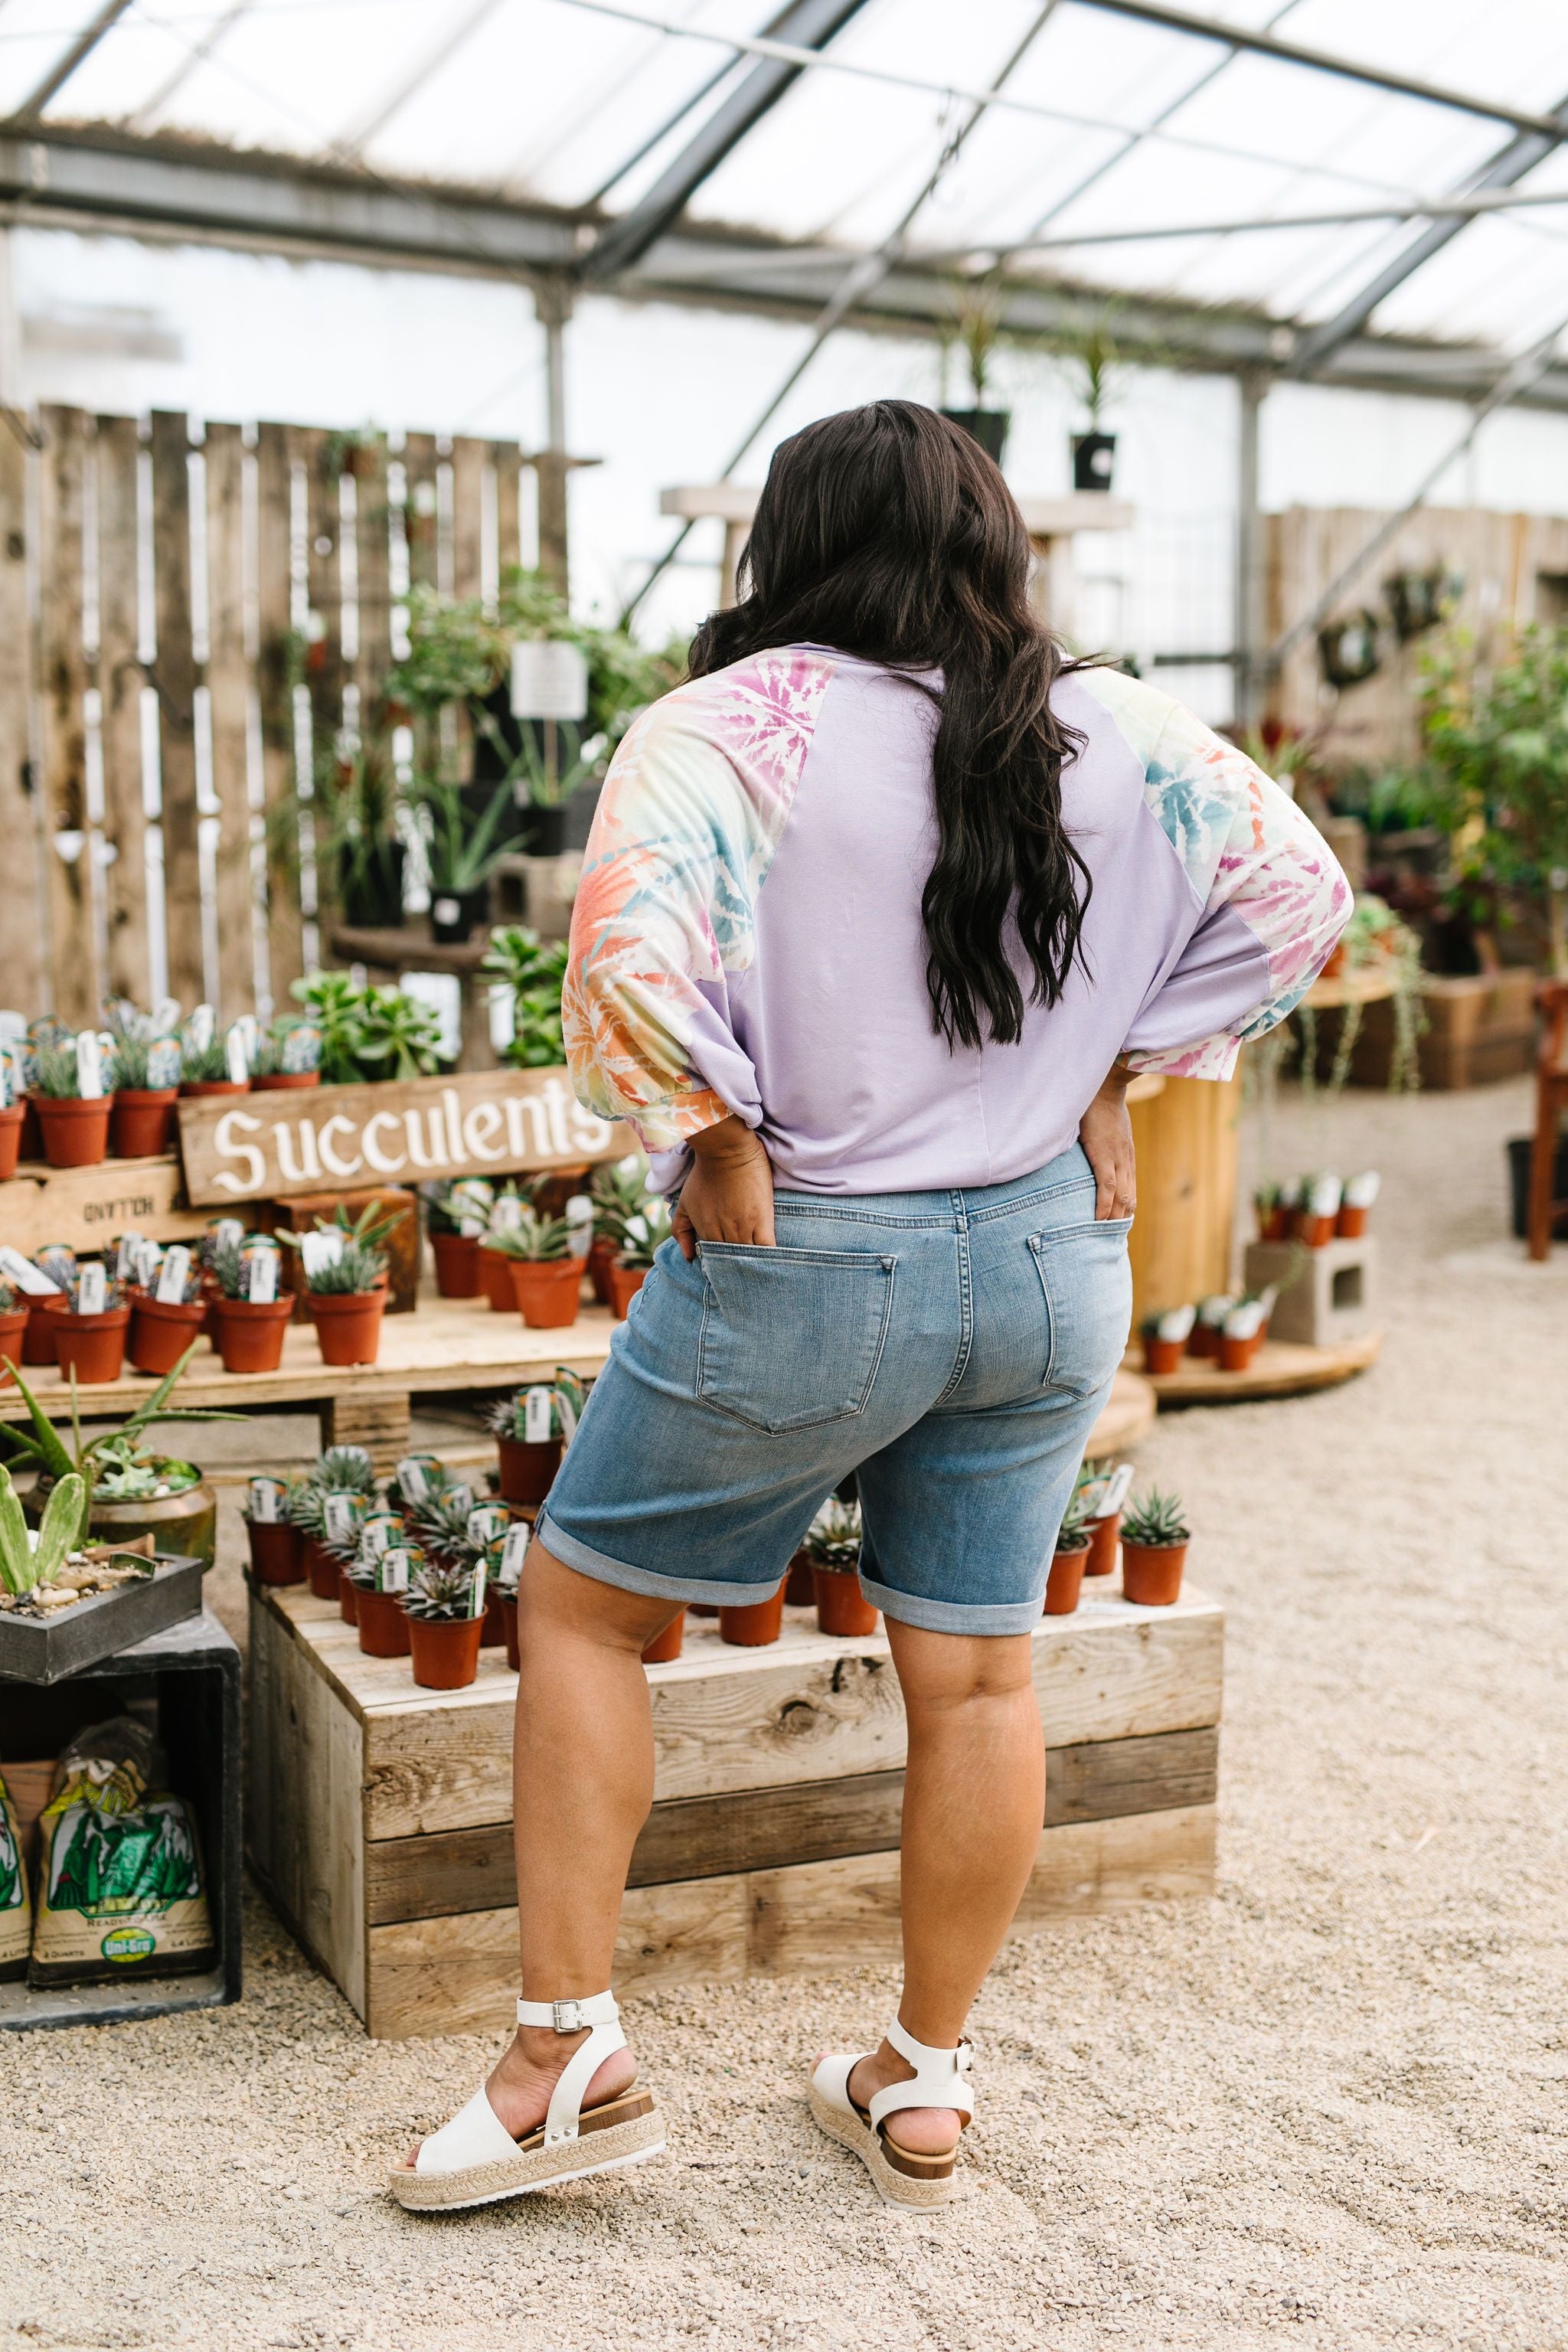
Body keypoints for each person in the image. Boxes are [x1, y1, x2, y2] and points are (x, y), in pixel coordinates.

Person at [391, 399, 1349, 2213]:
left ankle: (561, 2056)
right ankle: (921, 2079)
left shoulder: (721, 730)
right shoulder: (1116, 721)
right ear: (990, 540)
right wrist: (1122, 1067)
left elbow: (621, 957)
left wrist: (710, 1120)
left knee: (585, 1616)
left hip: (806, 1256)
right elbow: (1301, 896)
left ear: (791, 541)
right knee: (981, 1672)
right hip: (1053, 1260)